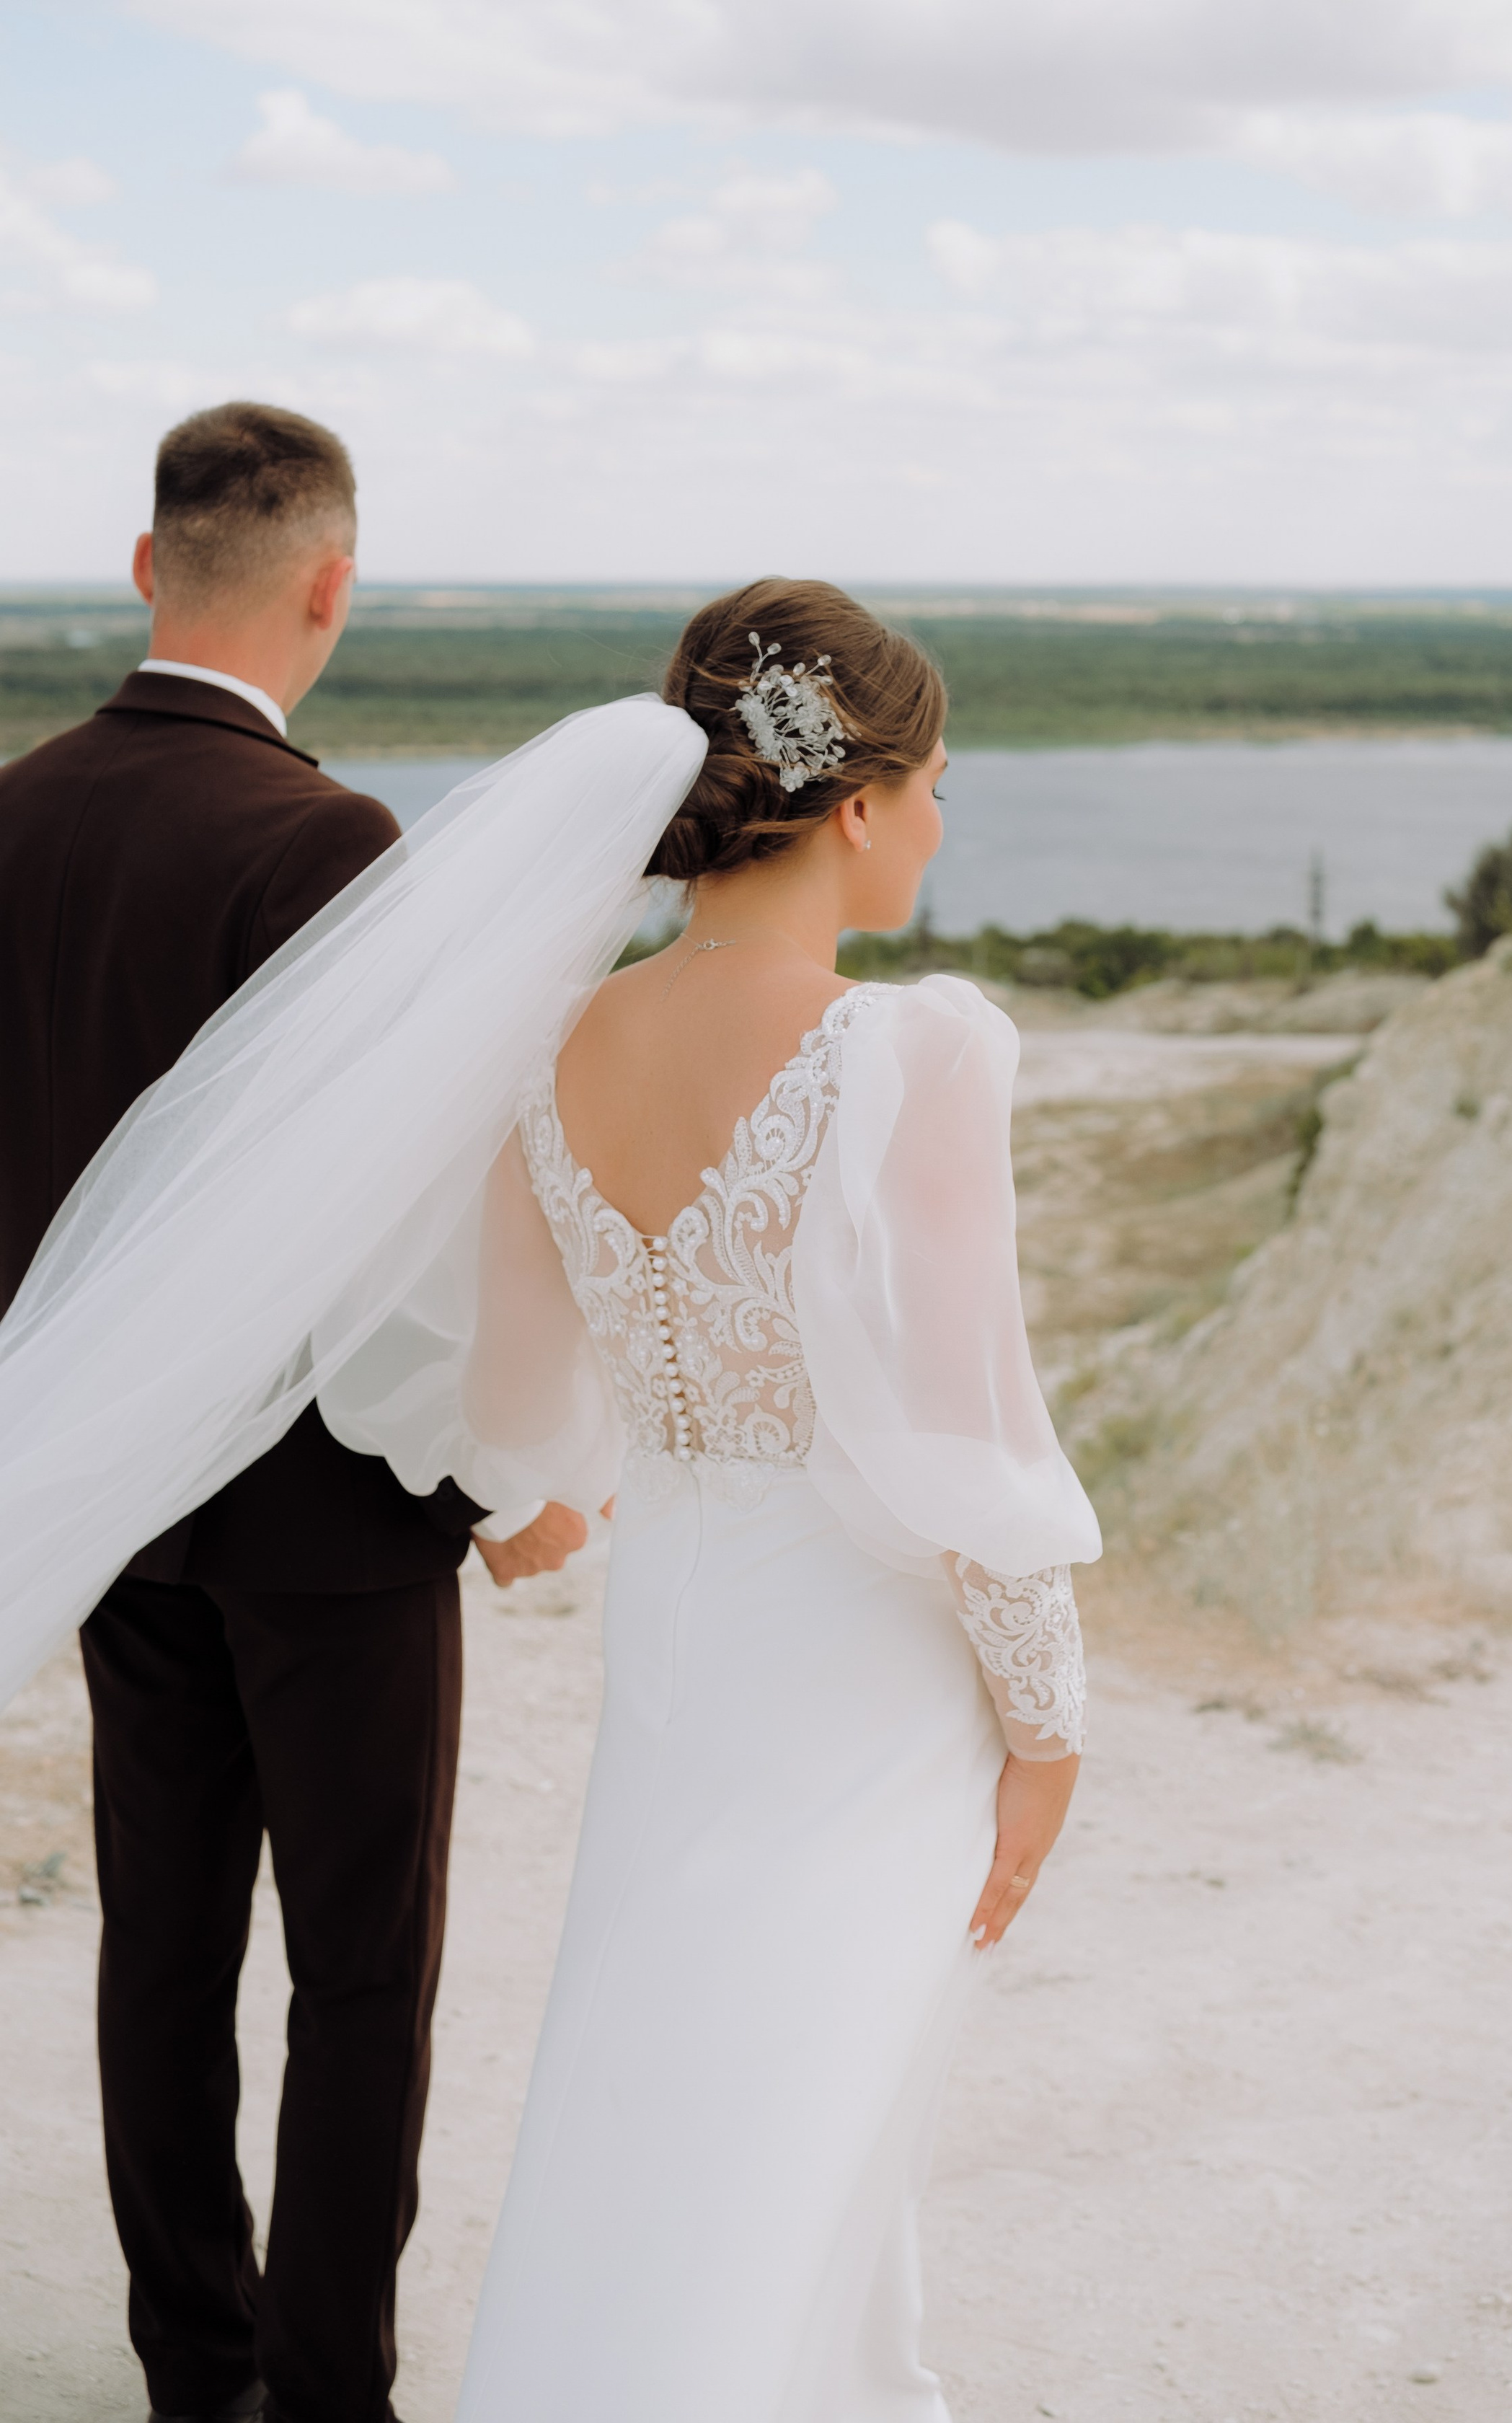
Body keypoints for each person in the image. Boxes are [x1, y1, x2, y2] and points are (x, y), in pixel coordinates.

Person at [0, 571, 1100, 2420]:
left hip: (684, 1629)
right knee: (813, 2075)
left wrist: (548, 1492)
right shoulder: (916, 1049)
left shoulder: (559, 1044)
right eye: (932, 784)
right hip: (854, 1654)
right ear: (853, 801)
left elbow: (500, 1390)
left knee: (665, 2051)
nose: (938, 821)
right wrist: (1046, 1716)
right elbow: (957, 1434)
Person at [0, 402, 584, 2423]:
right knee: (359, 1974)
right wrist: (500, 1475)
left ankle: (195, 2373)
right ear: (332, 587)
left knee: (158, 1939)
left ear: (148, 565)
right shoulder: (324, 839)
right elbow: (384, 1233)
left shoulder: (12, 810)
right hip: (326, 1526)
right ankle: (330, 2396)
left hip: (113, 1502)